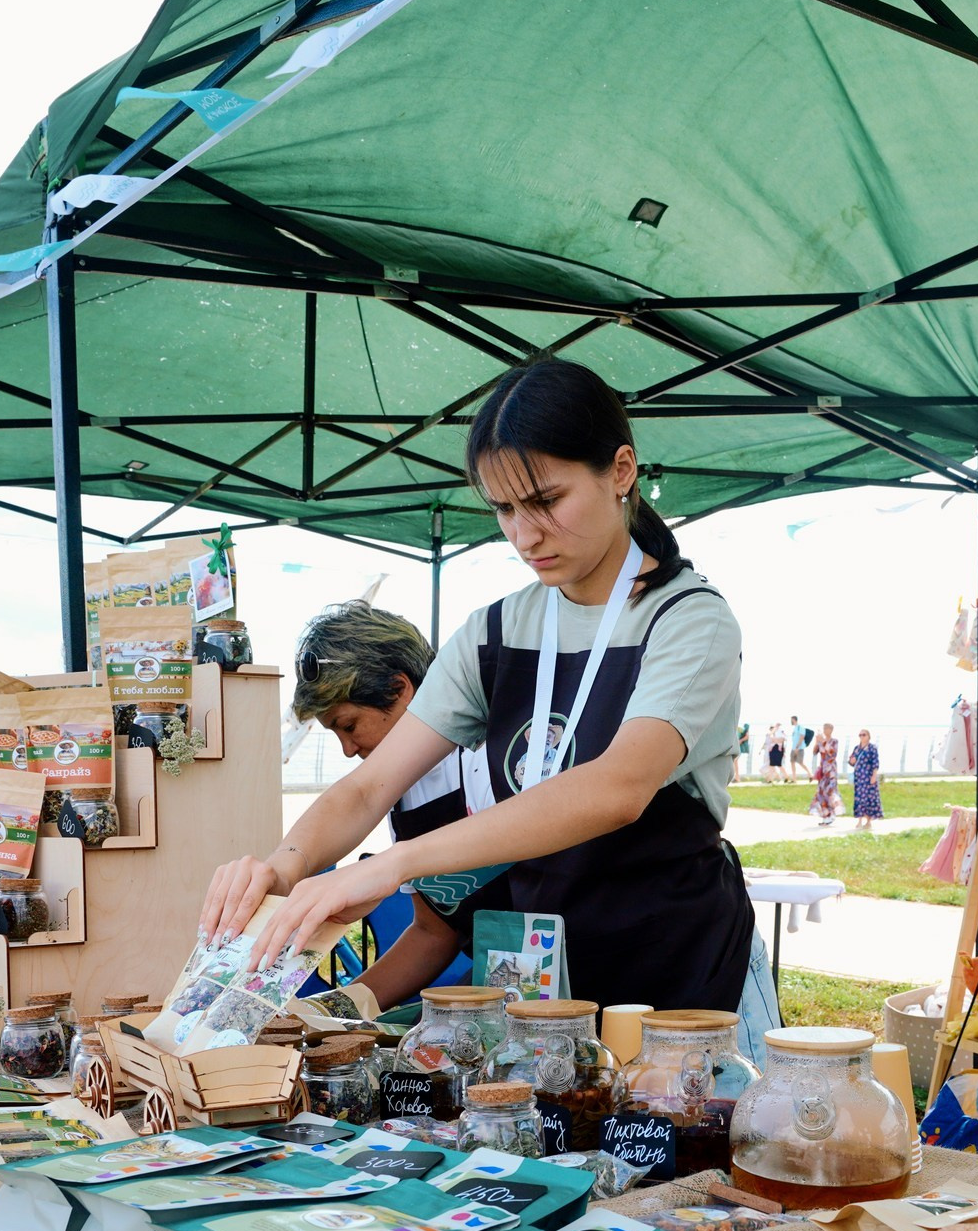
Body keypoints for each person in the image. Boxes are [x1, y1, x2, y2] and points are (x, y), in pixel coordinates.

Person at [202, 356, 769, 1032]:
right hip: (547, 998)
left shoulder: (688, 620)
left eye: (547, 501)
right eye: (503, 508)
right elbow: (366, 788)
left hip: (684, 987)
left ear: (620, 472)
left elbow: (616, 790)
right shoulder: (497, 632)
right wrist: (281, 870)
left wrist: (392, 866)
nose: (525, 534)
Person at [289, 599, 508, 1009]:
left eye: (349, 726)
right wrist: (335, 1009)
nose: (348, 750)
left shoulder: (487, 753)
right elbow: (432, 932)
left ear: (400, 689)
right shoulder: (401, 793)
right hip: (504, 986)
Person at [851, 727, 883, 831]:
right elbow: (852, 762)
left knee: (869, 798)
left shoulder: (872, 748)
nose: (861, 737)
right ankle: (859, 820)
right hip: (859, 778)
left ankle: (868, 821)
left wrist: (874, 776)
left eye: (864, 735)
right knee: (859, 798)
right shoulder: (857, 748)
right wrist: (852, 760)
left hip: (868, 777)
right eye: (860, 735)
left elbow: (875, 763)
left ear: (868, 736)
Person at [810, 721, 842, 825]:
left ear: (831, 730)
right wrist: (816, 742)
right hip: (823, 770)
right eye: (824, 729)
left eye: (827, 728)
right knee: (821, 793)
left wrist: (823, 741)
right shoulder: (821, 741)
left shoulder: (834, 741)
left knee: (830, 792)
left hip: (831, 770)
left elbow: (832, 753)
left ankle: (832, 814)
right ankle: (825, 816)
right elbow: (814, 752)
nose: (825, 731)